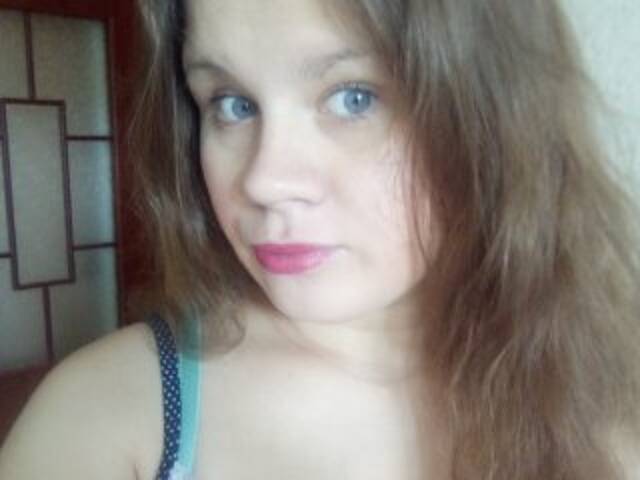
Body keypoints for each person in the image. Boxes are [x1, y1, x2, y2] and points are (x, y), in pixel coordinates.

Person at [1, 0, 639, 478]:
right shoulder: (112, 416)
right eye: (232, 104)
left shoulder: (602, 389)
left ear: (497, 117)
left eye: (354, 97)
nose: (264, 180)